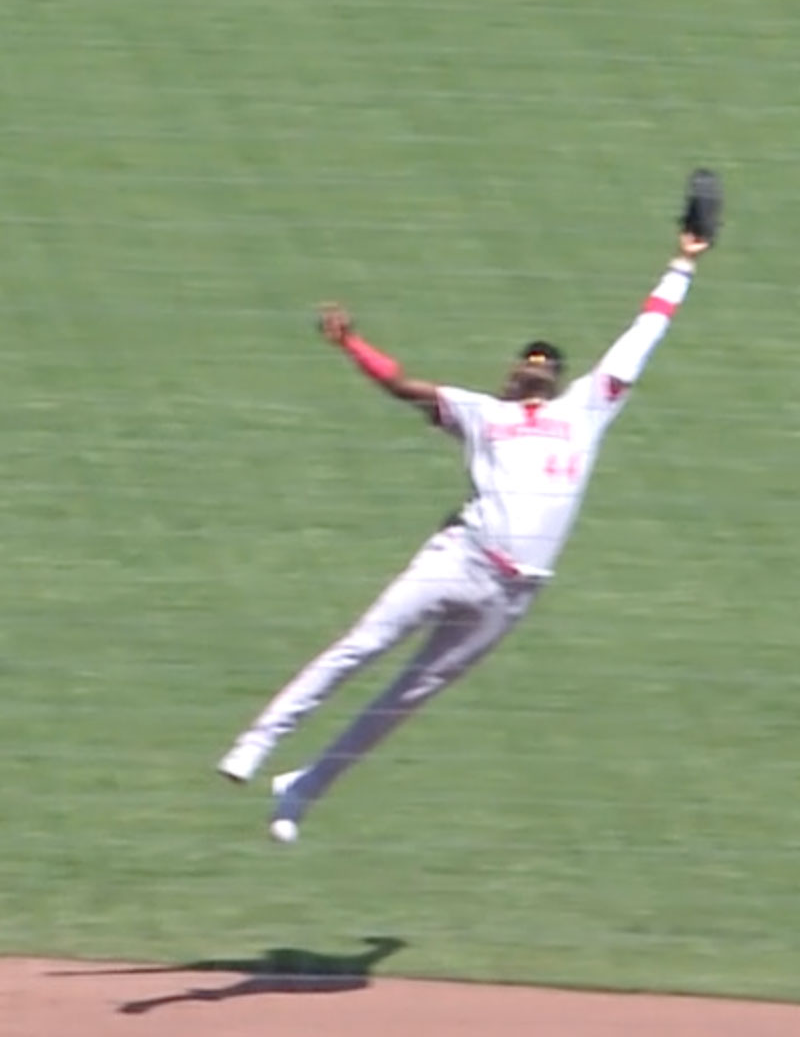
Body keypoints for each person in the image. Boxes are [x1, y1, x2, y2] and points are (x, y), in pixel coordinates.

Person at [217, 229, 711, 843]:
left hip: (514, 594)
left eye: (546, 366)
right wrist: (351, 343)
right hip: (461, 558)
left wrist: (683, 264)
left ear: (559, 378)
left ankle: (303, 790)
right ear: (510, 375)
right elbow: (403, 387)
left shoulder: (585, 410)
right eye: (527, 363)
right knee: (363, 644)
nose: (536, 370)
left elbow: (644, 333)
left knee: (406, 698)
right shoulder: (483, 414)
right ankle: (256, 743)